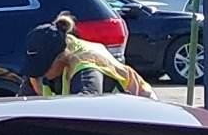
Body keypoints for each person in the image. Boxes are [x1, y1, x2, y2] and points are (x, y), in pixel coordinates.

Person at [23, 12, 152, 97]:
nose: (41, 73)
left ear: (60, 56)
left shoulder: (86, 66)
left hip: (140, 116)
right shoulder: (38, 71)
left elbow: (87, 110)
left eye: (45, 67)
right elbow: (25, 102)